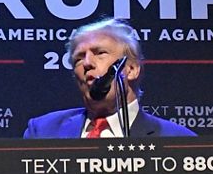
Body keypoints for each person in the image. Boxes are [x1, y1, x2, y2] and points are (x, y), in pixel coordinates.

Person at [24, 18, 195, 139]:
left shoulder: (175, 139)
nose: (87, 63)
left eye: (100, 53)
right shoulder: (43, 131)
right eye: (78, 59)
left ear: (131, 69)